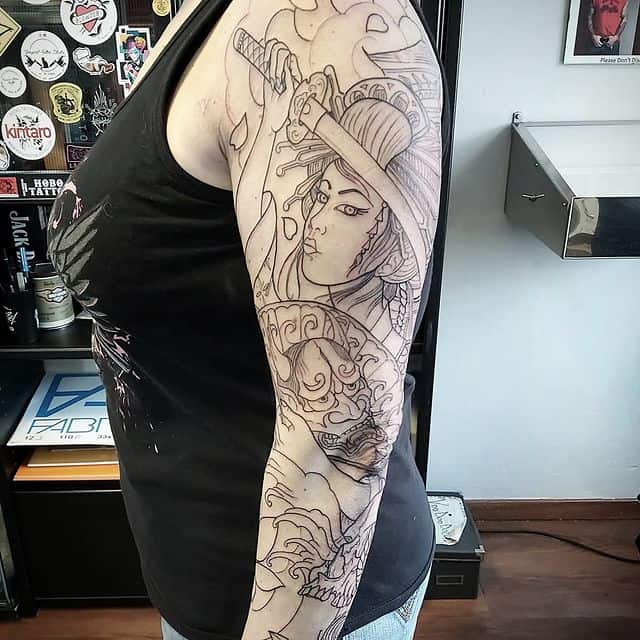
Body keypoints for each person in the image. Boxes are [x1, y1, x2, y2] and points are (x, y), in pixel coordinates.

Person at [46, 1, 447, 639]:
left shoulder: (332, 26)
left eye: (344, 205)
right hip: (201, 571)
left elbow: (346, 431)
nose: (316, 220)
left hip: (296, 609)